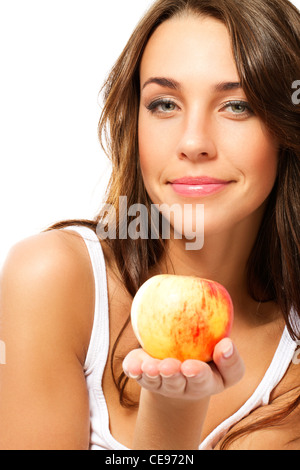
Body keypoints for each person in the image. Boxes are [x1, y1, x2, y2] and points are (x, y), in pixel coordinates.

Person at [0, 0, 299, 450]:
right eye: (164, 104)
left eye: (237, 105)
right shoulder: (50, 279)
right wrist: (171, 411)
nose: (194, 141)